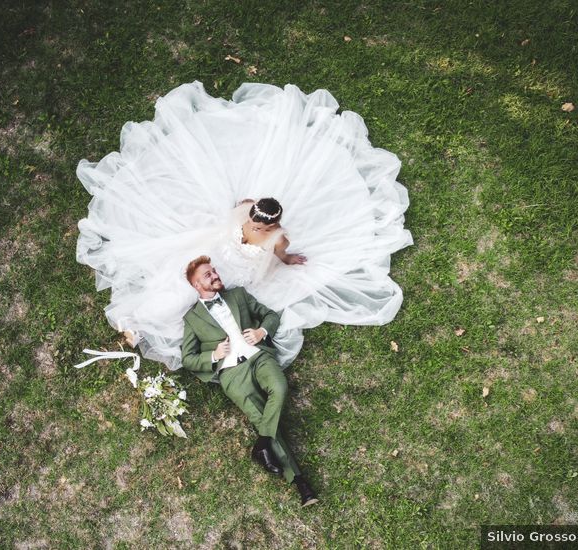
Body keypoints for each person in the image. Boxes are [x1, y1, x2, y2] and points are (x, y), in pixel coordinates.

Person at [77, 81, 412, 369]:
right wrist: (271, 243)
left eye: (257, 221)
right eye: (254, 218)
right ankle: (140, 320)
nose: (253, 221)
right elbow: (260, 230)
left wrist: (288, 259)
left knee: (195, 293)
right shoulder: (262, 221)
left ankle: (142, 324)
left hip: (234, 270)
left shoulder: (265, 225)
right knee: (179, 279)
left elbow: (270, 241)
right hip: (218, 254)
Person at [181, 255, 317, 506]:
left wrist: (261, 331)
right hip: (232, 373)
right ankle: (301, 484)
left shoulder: (238, 295)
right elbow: (187, 358)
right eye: (207, 275)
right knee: (261, 416)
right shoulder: (192, 319)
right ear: (196, 285)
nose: (215, 275)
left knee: (279, 387)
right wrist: (213, 355)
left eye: (214, 271)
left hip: (258, 356)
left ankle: (261, 444)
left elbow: (270, 315)